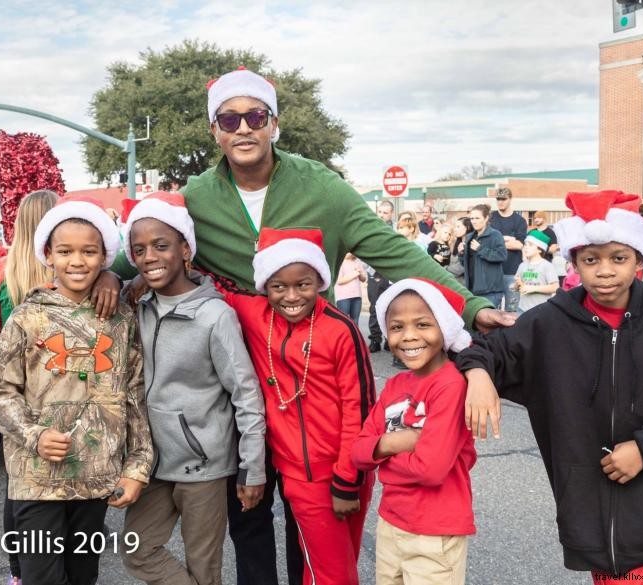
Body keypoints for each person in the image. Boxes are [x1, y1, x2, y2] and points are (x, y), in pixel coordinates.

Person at [113, 66, 512, 584]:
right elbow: (145, 246)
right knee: (248, 515)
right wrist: (103, 277)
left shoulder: (323, 187)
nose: (242, 128)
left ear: (273, 123)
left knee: (316, 517)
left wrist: (470, 304)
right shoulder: (196, 197)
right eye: (228, 119)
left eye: (255, 115)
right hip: (237, 376)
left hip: (314, 376)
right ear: (214, 130)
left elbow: (393, 252)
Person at [459, 190, 643, 583]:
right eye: (591, 259)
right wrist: (477, 373)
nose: (605, 271)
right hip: (594, 520)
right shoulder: (548, 323)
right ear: (574, 261)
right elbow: (486, 350)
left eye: (618, 258)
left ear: (639, 260)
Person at [0, 195, 153, 585]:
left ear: (105, 256)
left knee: (83, 575)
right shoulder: (29, 316)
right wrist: (34, 435)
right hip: (36, 480)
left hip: (96, 478)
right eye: (66, 251)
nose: (77, 261)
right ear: (48, 255)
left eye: (89, 251)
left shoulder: (121, 319)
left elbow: (134, 395)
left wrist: (137, 467)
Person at [120, 192, 266, 585]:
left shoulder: (214, 316)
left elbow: (246, 396)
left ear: (186, 249)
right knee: (136, 550)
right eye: (139, 249)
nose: (150, 256)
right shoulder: (135, 303)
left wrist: (252, 470)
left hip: (203, 465)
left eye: (161, 245)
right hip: (151, 463)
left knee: (205, 568)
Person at [216, 227, 376, 585]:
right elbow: (209, 282)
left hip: (341, 471)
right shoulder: (256, 314)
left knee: (333, 570)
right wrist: (121, 281)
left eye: (303, 284)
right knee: (325, 570)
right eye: (278, 287)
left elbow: (360, 409)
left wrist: (348, 481)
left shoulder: (341, 329)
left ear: (319, 281)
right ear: (264, 287)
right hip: (297, 475)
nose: (291, 296)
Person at [352, 278, 476, 585]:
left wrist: (379, 456)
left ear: (444, 327)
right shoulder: (395, 385)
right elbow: (357, 452)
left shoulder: (451, 386)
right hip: (391, 522)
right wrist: (396, 442)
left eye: (422, 324)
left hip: (434, 531)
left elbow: (431, 470)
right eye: (396, 327)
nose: (409, 337)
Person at [460, 204, 507, 308]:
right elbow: (465, 264)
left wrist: (480, 249)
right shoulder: (469, 237)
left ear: (486, 218)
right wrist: (461, 253)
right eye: (472, 218)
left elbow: (502, 256)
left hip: (490, 293)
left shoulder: (495, 235)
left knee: (489, 323)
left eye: (477, 218)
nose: (474, 221)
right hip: (472, 291)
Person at [489, 187, 527, 312]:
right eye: (498, 199)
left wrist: (497, 240)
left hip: (512, 271)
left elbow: (519, 245)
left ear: (510, 199)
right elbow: (486, 242)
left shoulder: (519, 221)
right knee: (493, 310)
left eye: (503, 199)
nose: (500, 202)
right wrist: (507, 239)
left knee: (512, 309)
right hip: (492, 270)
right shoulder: (490, 218)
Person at [367, 200, 394, 353]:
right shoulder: (370, 228)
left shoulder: (396, 230)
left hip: (391, 273)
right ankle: (375, 339)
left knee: (391, 308)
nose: (382, 215)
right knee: (374, 307)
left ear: (391, 214)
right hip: (374, 273)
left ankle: (390, 339)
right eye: (380, 212)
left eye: (385, 212)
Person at [513, 230, 558, 313]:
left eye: (530, 245)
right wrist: (516, 285)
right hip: (522, 309)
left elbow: (555, 287)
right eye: (525, 244)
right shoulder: (522, 265)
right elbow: (517, 287)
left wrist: (532, 288)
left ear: (540, 249)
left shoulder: (547, 266)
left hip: (541, 310)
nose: (526, 247)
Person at [334, 251, 367, 325]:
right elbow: (339, 281)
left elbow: (364, 279)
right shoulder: (340, 261)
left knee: (355, 321)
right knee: (343, 321)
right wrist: (354, 274)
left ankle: (354, 336)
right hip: (343, 297)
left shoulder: (357, 261)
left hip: (357, 295)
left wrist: (360, 273)